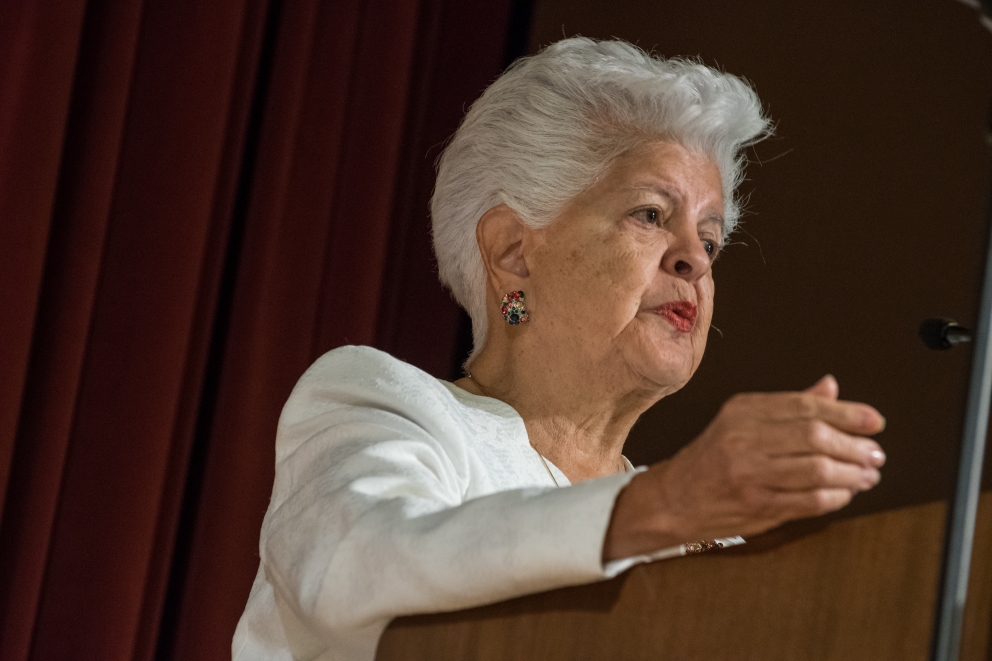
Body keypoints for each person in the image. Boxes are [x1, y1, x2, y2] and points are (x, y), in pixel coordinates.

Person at [232, 37, 886, 661]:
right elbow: (365, 564)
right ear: (513, 252)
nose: (694, 259)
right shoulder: (381, 406)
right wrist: (666, 503)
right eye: (652, 214)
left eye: (710, 240)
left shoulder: (706, 536)